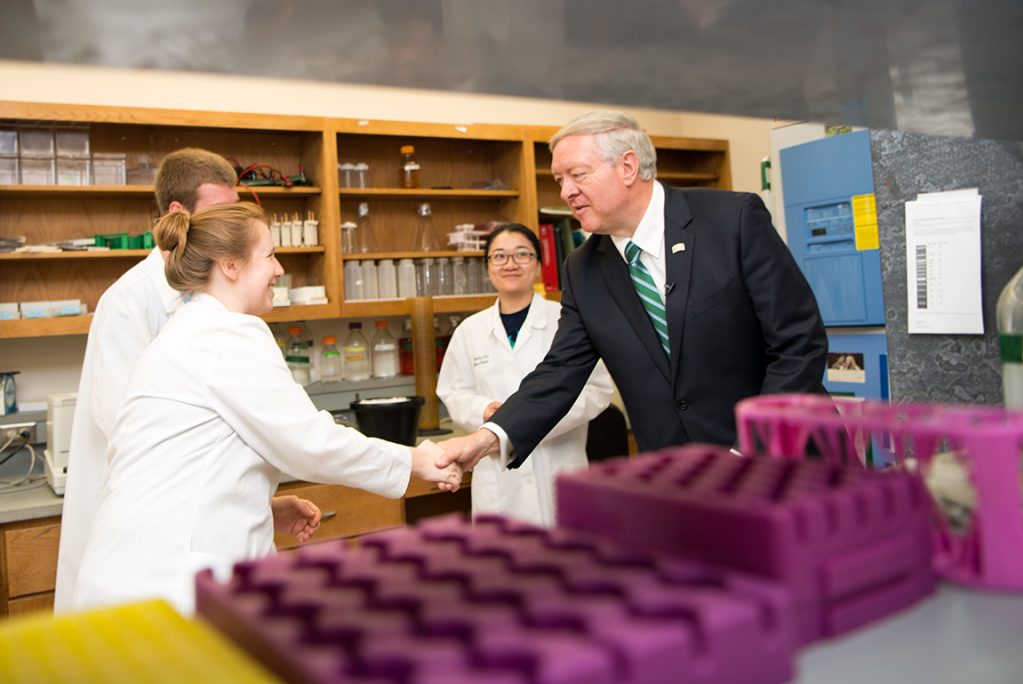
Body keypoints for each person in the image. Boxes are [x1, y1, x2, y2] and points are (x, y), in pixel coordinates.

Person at [71, 203, 461, 615]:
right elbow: (311, 442)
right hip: (173, 584)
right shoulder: (228, 333)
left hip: (130, 574)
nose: (279, 270)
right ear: (231, 266)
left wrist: (261, 505)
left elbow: (177, 465)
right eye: (271, 255)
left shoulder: (181, 333)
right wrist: (416, 460)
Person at [437, 110, 827, 472]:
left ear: (628, 166)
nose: (565, 192)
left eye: (578, 174)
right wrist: (487, 438)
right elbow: (559, 373)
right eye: (559, 180)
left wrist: (752, 448)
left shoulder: (732, 220)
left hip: (784, 462)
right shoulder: (583, 267)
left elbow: (797, 344)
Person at [54, 149, 318, 613]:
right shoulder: (132, 301)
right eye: (221, 214)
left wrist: (253, 500)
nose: (232, 228)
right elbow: (129, 428)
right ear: (179, 214)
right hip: (152, 538)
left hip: (201, 533)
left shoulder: (211, 296)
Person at [436, 223, 613, 527]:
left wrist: (533, 417)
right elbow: (453, 392)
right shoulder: (469, 331)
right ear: (488, 267)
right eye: (500, 256)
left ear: (537, 263)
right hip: (498, 479)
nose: (511, 264)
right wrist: (486, 410)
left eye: (522, 254)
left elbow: (597, 390)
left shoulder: (566, 320)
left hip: (560, 466)